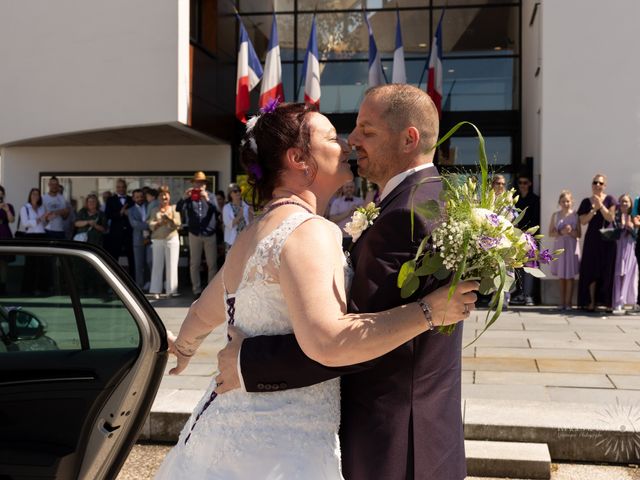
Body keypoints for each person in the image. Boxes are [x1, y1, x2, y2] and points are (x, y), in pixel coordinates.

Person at [161, 90, 478, 480]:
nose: (348, 142)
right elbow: (330, 340)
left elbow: (204, 310)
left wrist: (187, 347)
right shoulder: (312, 231)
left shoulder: (254, 232)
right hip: (283, 446)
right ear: (298, 160)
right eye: (332, 138)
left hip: (228, 424)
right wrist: (429, 312)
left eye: (364, 131)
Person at [577, 174, 617, 311]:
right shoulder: (586, 202)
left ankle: (605, 302)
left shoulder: (610, 199)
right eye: (595, 182)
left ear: (604, 186)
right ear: (592, 185)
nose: (597, 185)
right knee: (590, 270)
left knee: (606, 270)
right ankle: (591, 302)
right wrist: (594, 209)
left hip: (607, 240)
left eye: (600, 183)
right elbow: (583, 221)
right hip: (592, 239)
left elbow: (610, 217)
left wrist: (601, 206)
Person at [177, 172, 218, 296]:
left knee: (212, 263)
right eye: (197, 182)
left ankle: (211, 290)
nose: (199, 185)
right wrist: (184, 197)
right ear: (193, 184)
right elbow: (178, 209)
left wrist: (207, 199)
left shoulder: (211, 196)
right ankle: (197, 290)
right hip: (194, 233)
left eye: (201, 183)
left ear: (205, 185)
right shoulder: (189, 198)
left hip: (209, 233)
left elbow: (217, 211)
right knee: (194, 263)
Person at [511, 172, 540, 306]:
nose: (522, 185)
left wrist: (526, 232)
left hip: (530, 237)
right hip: (516, 238)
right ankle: (520, 294)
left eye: (525, 183)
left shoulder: (535, 199)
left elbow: (535, 220)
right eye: (520, 183)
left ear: (530, 184)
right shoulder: (514, 199)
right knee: (517, 267)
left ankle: (528, 296)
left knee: (530, 267)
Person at [548, 190, 581, 310]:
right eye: (563, 201)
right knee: (561, 276)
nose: (565, 203)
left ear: (571, 202)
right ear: (559, 202)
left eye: (568, 201)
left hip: (571, 247)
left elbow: (579, 234)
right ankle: (562, 302)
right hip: (560, 247)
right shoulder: (556, 215)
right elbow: (550, 232)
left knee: (570, 276)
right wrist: (560, 232)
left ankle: (569, 303)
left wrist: (571, 231)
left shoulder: (575, 215)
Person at [148, 186, 181, 298]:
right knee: (157, 265)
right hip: (158, 239)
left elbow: (178, 224)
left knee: (172, 265)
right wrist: (159, 222)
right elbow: (150, 224)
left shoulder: (174, 208)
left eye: (166, 194)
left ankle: (171, 291)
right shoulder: (154, 210)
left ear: (169, 196)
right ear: (158, 197)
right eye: (161, 195)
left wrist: (170, 219)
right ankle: (155, 290)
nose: (164, 197)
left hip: (171, 238)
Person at [18, 188, 48, 295]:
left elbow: (44, 225)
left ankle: (41, 288)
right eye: (33, 194)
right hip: (30, 236)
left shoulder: (41, 208)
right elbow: (25, 223)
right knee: (30, 262)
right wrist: (39, 219)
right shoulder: (25, 208)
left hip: (42, 235)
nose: (35, 196)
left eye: (37, 194)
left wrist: (47, 219)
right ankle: (28, 289)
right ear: (30, 196)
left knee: (42, 263)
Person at [612, 194, 638, 314]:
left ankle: (630, 301)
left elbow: (636, 236)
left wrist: (631, 228)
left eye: (626, 202)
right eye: (622, 201)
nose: (624, 204)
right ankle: (618, 302)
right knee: (619, 274)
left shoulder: (634, 217)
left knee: (630, 275)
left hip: (630, 249)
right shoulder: (616, 216)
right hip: (619, 248)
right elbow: (613, 233)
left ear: (630, 204)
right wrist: (621, 227)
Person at [104, 179, 135, 275]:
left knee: (132, 257)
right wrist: (120, 213)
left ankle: (133, 281)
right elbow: (108, 215)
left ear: (126, 188)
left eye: (123, 187)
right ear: (116, 188)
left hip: (129, 233)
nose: (121, 189)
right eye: (119, 187)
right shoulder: (110, 200)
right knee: (114, 258)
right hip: (116, 233)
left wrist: (128, 214)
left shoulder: (131, 200)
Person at [329, 180, 364, 249]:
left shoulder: (360, 201)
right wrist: (348, 212)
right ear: (343, 189)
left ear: (354, 188)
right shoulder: (336, 202)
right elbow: (332, 219)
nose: (349, 189)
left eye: (351, 187)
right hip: (341, 236)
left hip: (356, 237)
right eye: (347, 187)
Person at [129, 189, 152, 291]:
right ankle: (139, 287)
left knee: (149, 262)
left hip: (150, 239)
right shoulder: (131, 210)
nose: (139, 199)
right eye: (137, 197)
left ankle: (150, 284)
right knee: (139, 265)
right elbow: (135, 224)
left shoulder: (149, 207)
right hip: (138, 240)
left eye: (141, 196)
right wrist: (150, 225)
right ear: (133, 198)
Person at [222, 183, 252, 251]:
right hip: (232, 240)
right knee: (231, 261)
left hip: (245, 239)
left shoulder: (247, 206)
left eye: (239, 190)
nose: (238, 193)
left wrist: (251, 214)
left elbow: (251, 224)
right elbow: (228, 224)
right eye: (235, 191)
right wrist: (239, 216)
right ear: (230, 194)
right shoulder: (226, 208)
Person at [0, 185, 16, 294]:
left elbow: (12, 220)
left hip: (4, 235)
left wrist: (6, 210)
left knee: (3, 263)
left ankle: (3, 287)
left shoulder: (8, 206)